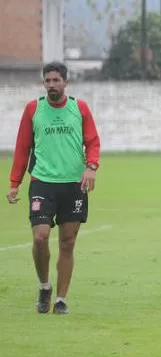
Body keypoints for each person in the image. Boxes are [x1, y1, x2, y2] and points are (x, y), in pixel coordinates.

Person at [7, 61, 101, 315]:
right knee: (40, 237)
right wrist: (14, 183)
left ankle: (61, 299)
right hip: (42, 182)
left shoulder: (79, 108)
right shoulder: (33, 109)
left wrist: (91, 167)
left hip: (73, 185)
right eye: (47, 81)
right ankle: (44, 286)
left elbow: (92, 141)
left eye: (56, 81)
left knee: (67, 243)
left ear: (66, 83)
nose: (51, 85)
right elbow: (22, 147)